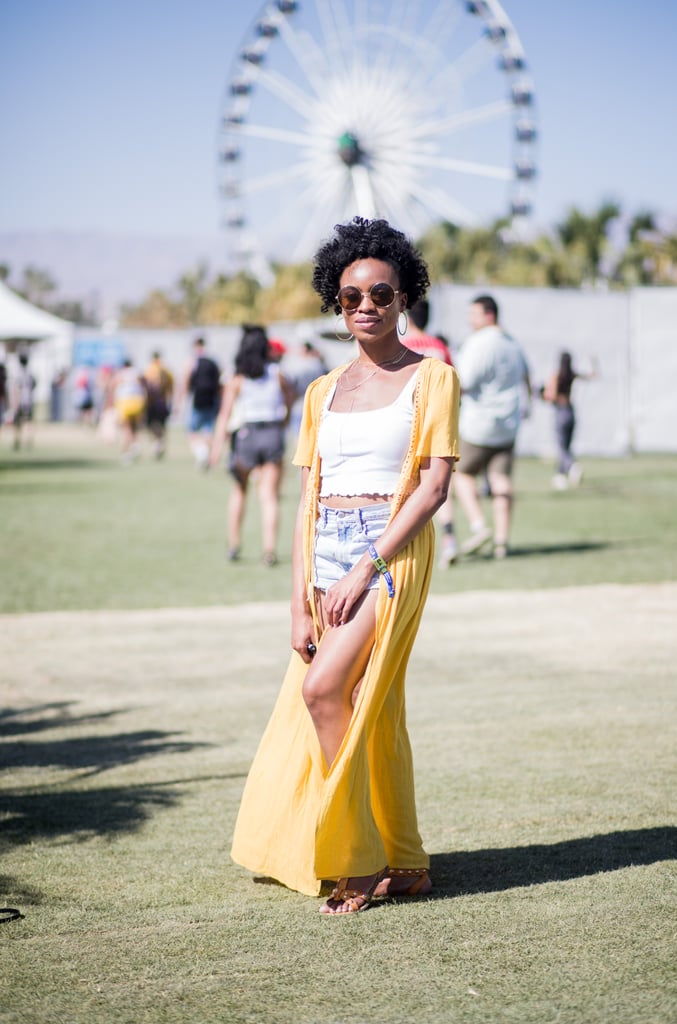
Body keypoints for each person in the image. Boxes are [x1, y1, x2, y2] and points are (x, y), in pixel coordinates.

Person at [230, 216, 460, 915]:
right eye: (352, 294)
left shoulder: (433, 378)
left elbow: (435, 486)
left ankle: (357, 861)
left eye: (382, 294)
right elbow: (307, 496)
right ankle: (408, 861)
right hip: (325, 545)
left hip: (385, 553)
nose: (367, 306)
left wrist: (366, 566)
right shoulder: (320, 390)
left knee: (324, 692)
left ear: (404, 298)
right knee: (369, 712)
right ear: (336, 301)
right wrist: (298, 599)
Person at [452, 294, 532, 560]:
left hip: (479, 424)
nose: (469, 320)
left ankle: (479, 525)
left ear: (489, 315)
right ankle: (501, 541)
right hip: (508, 423)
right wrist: (527, 406)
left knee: (461, 475)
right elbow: (527, 377)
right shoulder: (513, 343)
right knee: (501, 480)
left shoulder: (478, 343)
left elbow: (463, 381)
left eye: (473, 314)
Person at [209, 325, 295, 566]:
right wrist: (285, 421)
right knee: (269, 496)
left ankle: (234, 545)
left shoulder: (237, 378)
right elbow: (290, 396)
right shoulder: (277, 373)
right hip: (272, 433)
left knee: (239, 490)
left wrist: (216, 448)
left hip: (247, 436)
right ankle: (269, 551)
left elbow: (224, 414)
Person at [403, 299, 458, 569]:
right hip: (436, 427)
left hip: (408, 427)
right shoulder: (439, 346)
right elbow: (453, 383)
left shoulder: (401, 347)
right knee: (438, 487)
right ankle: (449, 540)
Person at [541, 351, 598, 489]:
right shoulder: (571, 374)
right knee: (566, 446)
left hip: (560, 411)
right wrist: (594, 362)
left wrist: (542, 394)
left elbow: (551, 395)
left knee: (561, 447)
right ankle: (560, 476)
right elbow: (592, 375)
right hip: (571, 412)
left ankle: (572, 466)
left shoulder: (556, 375)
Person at [180, 337, 221, 469]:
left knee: (191, 431)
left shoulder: (193, 362)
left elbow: (185, 381)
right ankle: (206, 453)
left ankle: (202, 453)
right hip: (212, 400)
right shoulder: (213, 362)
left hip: (197, 400)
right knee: (208, 429)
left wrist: (182, 400)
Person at [109, 358, 146, 464]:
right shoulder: (137, 372)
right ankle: (135, 445)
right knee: (134, 427)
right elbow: (143, 386)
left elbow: (113, 386)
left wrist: (111, 404)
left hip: (125, 402)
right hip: (138, 401)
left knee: (126, 428)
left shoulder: (120, 373)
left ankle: (127, 452)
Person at [143, 351, 175, 459]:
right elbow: (171, 389)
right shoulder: (167, 370)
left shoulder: (149, 370)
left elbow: (146, 388)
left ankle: (158, 443)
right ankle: (160, 443)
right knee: (162, 425)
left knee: (152, 424)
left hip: (153, 402)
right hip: (163, 402)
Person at [8, 353, 36, 451]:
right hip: (29, 401)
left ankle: (17, 441)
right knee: (27, 421)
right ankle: (27, 441)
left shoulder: (18, 373)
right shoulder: (29, 373)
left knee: (18, 423)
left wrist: (15, 401)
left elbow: (16, 388)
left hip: (20, 401)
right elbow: (34, 385)